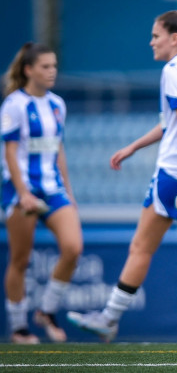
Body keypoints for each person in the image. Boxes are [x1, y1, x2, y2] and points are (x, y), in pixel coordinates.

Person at [66, 9, 177, 343]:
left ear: (174, 38)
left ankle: (109, 318)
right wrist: (134, 146)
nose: (151, 42)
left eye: (156, 35)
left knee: (141, 247)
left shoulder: (174, 69)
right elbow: (174, 122)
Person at [1, 43, 82, 344]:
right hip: (20, 189)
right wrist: (22, 193)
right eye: (45, 66)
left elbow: (58, 149)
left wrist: (69, 192)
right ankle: (19, 327)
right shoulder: (14, 104)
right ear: (28, 70)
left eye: (54, 66)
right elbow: (10, 152)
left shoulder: (58, 104)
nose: (52, 72)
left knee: (73, 247)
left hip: (52, 187)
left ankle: (46, 309)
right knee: (20, 259)